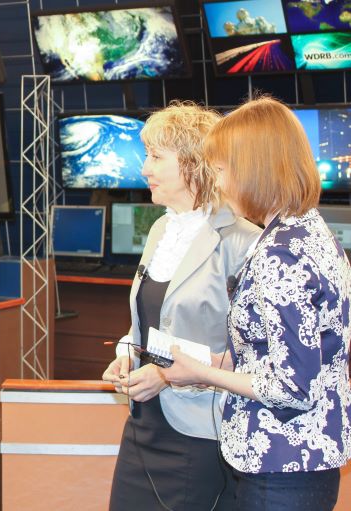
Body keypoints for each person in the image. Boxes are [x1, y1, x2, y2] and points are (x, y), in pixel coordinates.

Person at [161, 96, 351, 511]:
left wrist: (204, 375)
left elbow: (291, 386)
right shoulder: (310, 231)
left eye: (223, 171)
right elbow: (277, 351)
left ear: (254, 169)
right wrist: (212, 362)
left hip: (280, 466)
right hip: (301, 463)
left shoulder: (281, 253)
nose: (220, 184)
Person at [102, 102, 261, 510]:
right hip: (144, 424)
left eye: (156, 157)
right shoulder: (161, 229)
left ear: (193, 163)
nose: (144, 168)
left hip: (200, 433)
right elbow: (150, 321)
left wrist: (167, 374)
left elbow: (254, 354)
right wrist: (127, 353)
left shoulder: (243, 240)